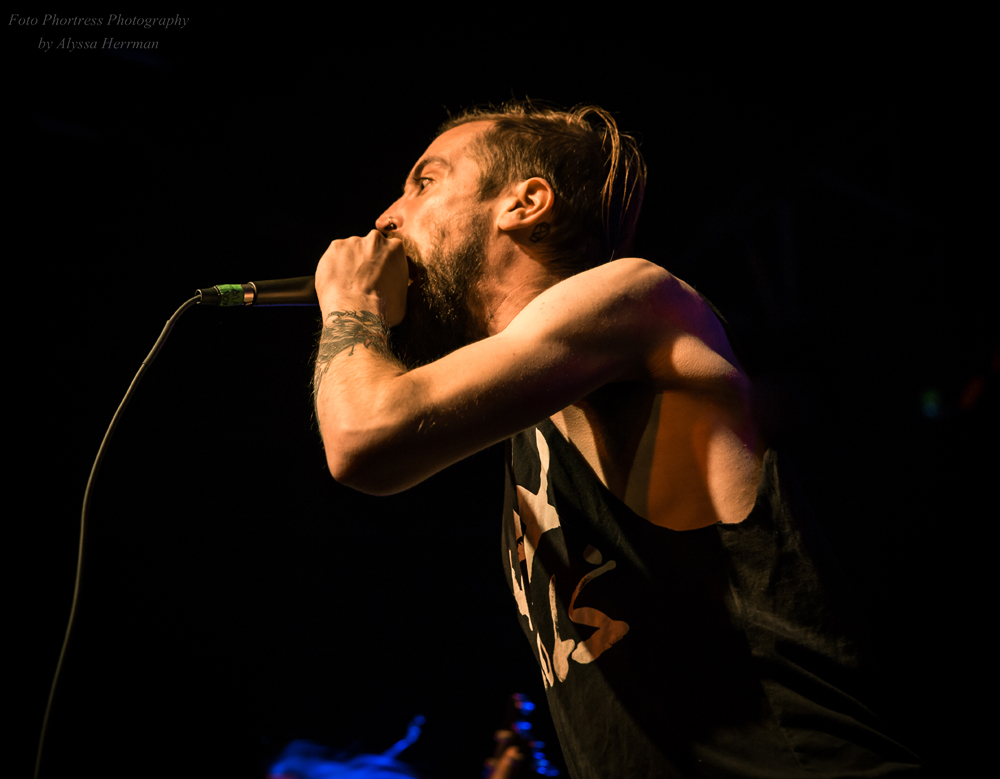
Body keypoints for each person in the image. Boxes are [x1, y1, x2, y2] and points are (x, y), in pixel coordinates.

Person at [311, 103, 924, 777]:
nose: (386, 217)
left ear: (526, 202)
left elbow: (363, 434)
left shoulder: (634, 300)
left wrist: (352, 307)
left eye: (424, 182)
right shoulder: (529, 428)